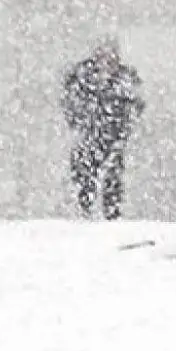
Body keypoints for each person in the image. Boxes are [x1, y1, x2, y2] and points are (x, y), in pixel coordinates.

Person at [61, 36, 145, 220]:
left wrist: (124, 130)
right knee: (84, 176)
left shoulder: (124, 82)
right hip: (89, 139)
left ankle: (111, 216)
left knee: (113, 177)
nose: (107, 59)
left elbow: (135, 107)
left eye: (111, 55)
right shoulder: (82, 79)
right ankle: (84, 213)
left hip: (114, 140)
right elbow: (70, 107)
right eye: (103, 54)